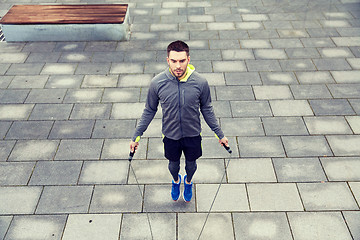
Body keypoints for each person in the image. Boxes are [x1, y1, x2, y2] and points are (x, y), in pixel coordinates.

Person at [130, 40, 228, 202]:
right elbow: (149, 110)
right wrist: (136, 136)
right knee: (173, 165)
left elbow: (207, 109)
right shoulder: (157, 83)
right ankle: (176, 181)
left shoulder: (200, 83)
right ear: (167, 60)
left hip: (192, 134)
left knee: (191, 165)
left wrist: (220, 135)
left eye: (182, 61)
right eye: (174, 61)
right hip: (170, 135)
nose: (178, 66)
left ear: (188, 60)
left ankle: (188, 182)